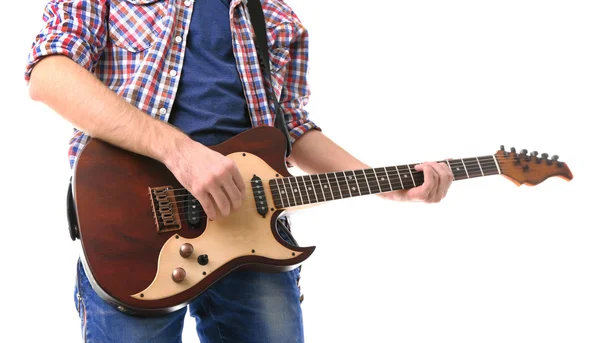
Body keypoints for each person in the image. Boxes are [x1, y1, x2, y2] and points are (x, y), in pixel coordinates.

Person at [25, 0, 454, 342]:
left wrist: (391, 186)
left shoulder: (274, 15)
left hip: (254, 235)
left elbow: (293, 129)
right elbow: (49, 73)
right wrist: (179, 151)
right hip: (136, 226)